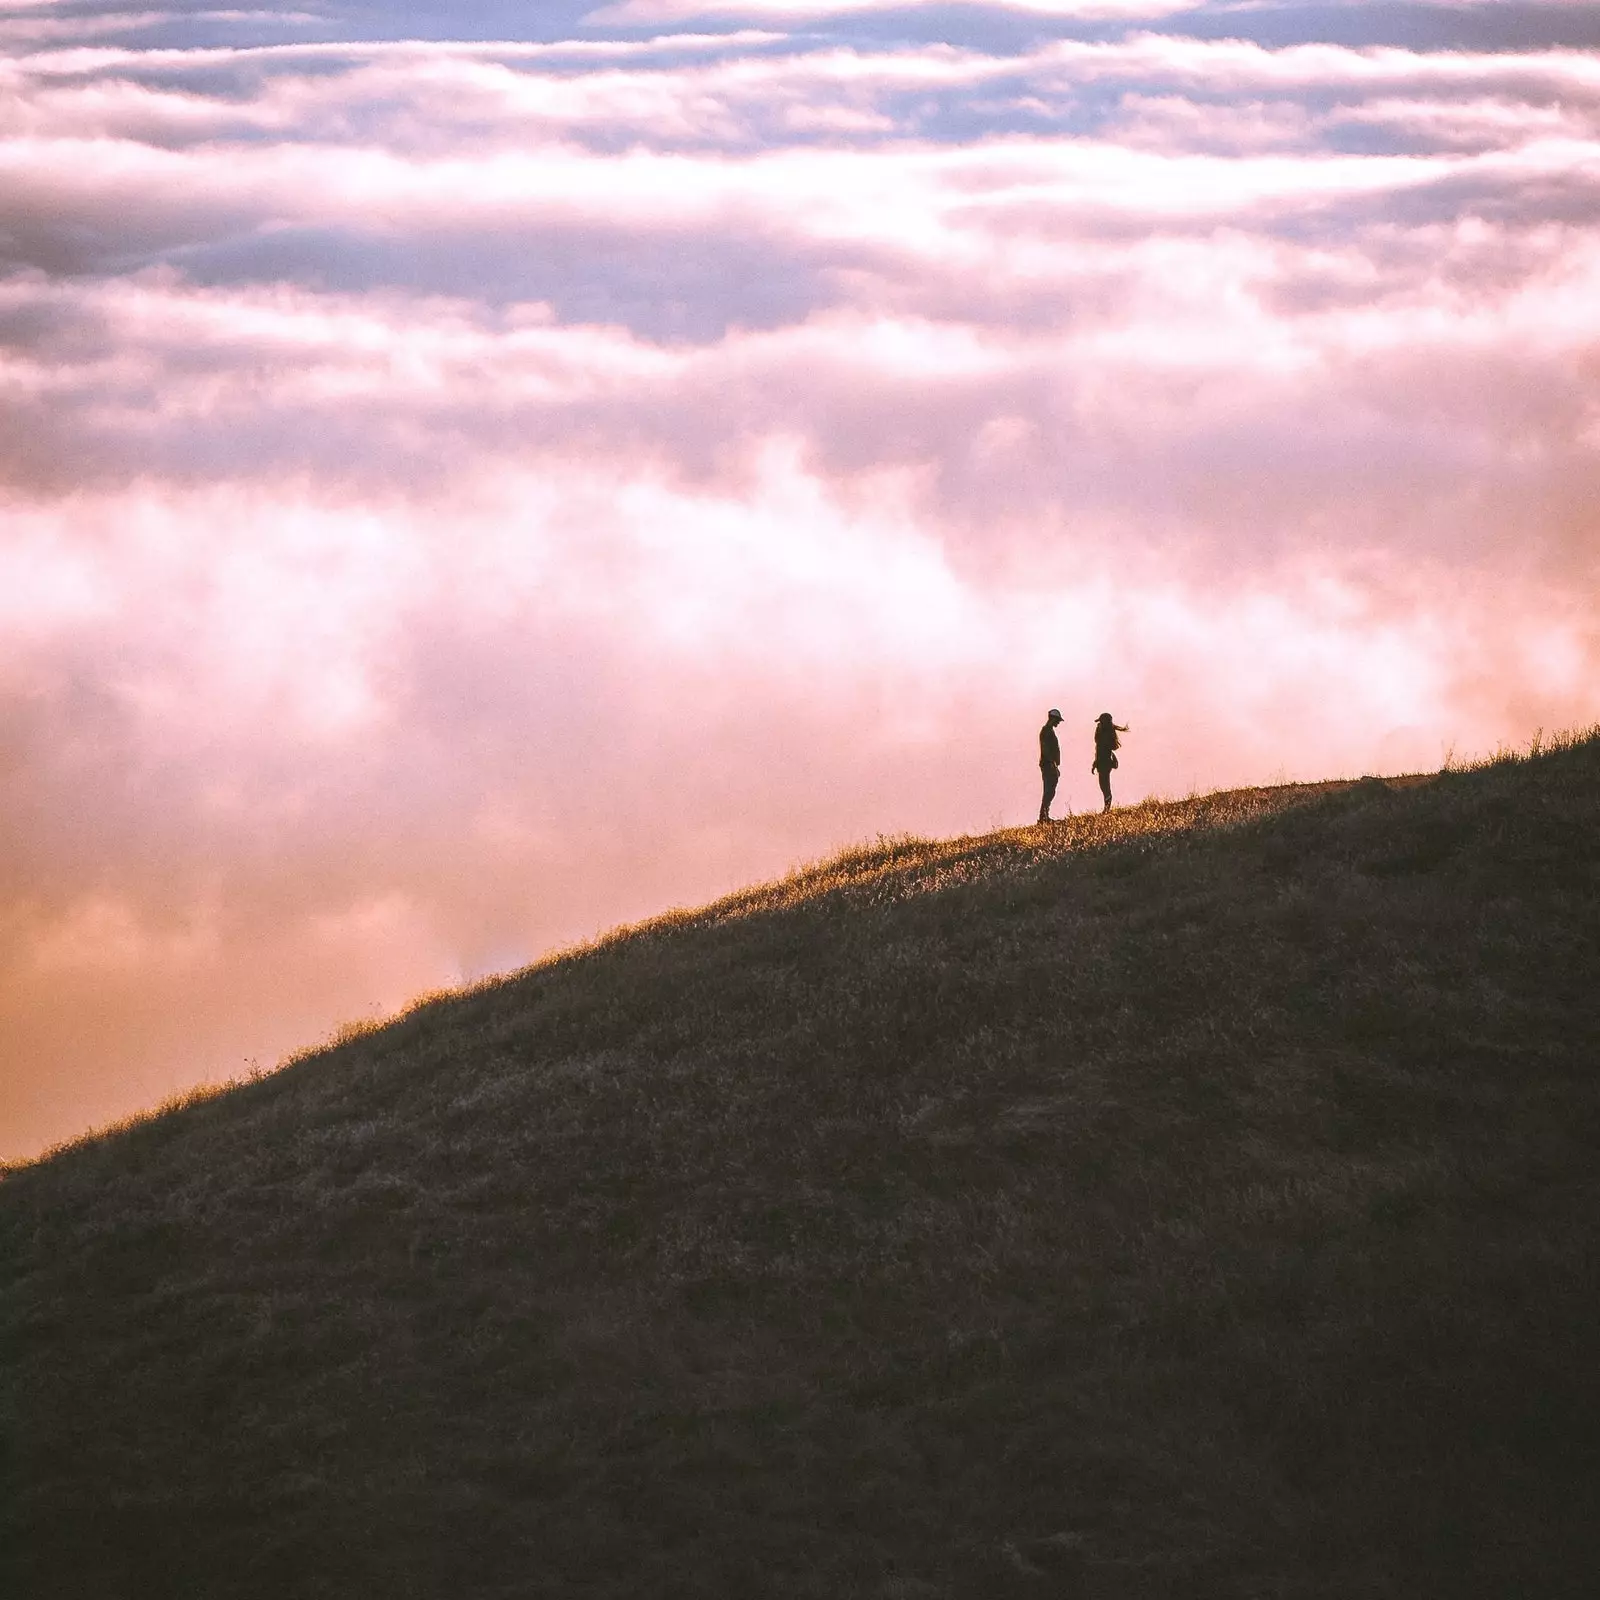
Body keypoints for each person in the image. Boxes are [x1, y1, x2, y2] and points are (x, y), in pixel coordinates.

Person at [1091, 712, 1129, 812]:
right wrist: (1095, 763)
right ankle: (1106, 808)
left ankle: (1106, 809)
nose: (1098, 724)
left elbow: (1101, 751)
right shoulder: (1106, 733)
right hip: (1104, 762)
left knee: (1104, 786)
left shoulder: (1104, 734)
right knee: (1104, 785)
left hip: (1104, 762)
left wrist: (1096, 762)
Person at [1038, 708, 1063, 822]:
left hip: (1049, 764)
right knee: (1049, 790)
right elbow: (1046, 750)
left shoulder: (1048, 730)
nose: (1058, 722)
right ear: (1052, 719)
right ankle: (1043, 817)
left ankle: (1044, 816)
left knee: (1050, 790)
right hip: (1048, 765)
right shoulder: (1046, 731)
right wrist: (1053, 764)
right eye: (1057, 720)